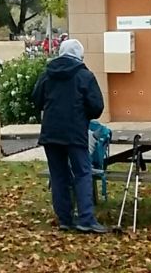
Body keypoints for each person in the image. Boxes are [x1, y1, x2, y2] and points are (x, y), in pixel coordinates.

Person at [32, 39, 108, 234]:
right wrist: (84, 115)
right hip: (75, 133)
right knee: (83, 173)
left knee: (58, 175)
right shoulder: (84, 76)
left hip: (51, 132)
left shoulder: (47, 74)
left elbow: (36, 99)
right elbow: (97, 106)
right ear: (79, 55)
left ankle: (65, 218)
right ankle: (86, 219)